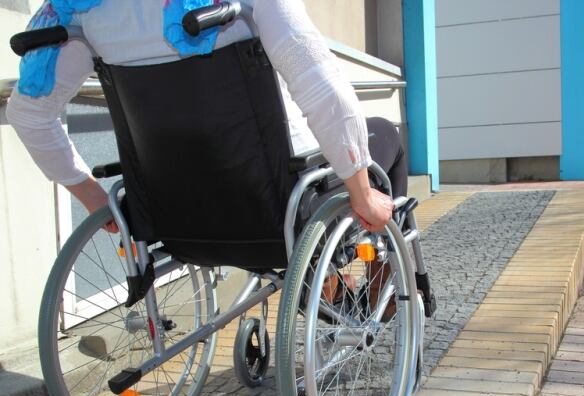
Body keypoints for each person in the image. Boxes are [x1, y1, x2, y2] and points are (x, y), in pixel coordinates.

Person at [6, 0, 407, 235]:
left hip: (169, 214)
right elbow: (321, 87)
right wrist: (362, 194)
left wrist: (98, 203)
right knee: (385, 136)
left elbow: (30, 116)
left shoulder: (82, 11)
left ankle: (334, 291)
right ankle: (379, 272)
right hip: (273, 200)